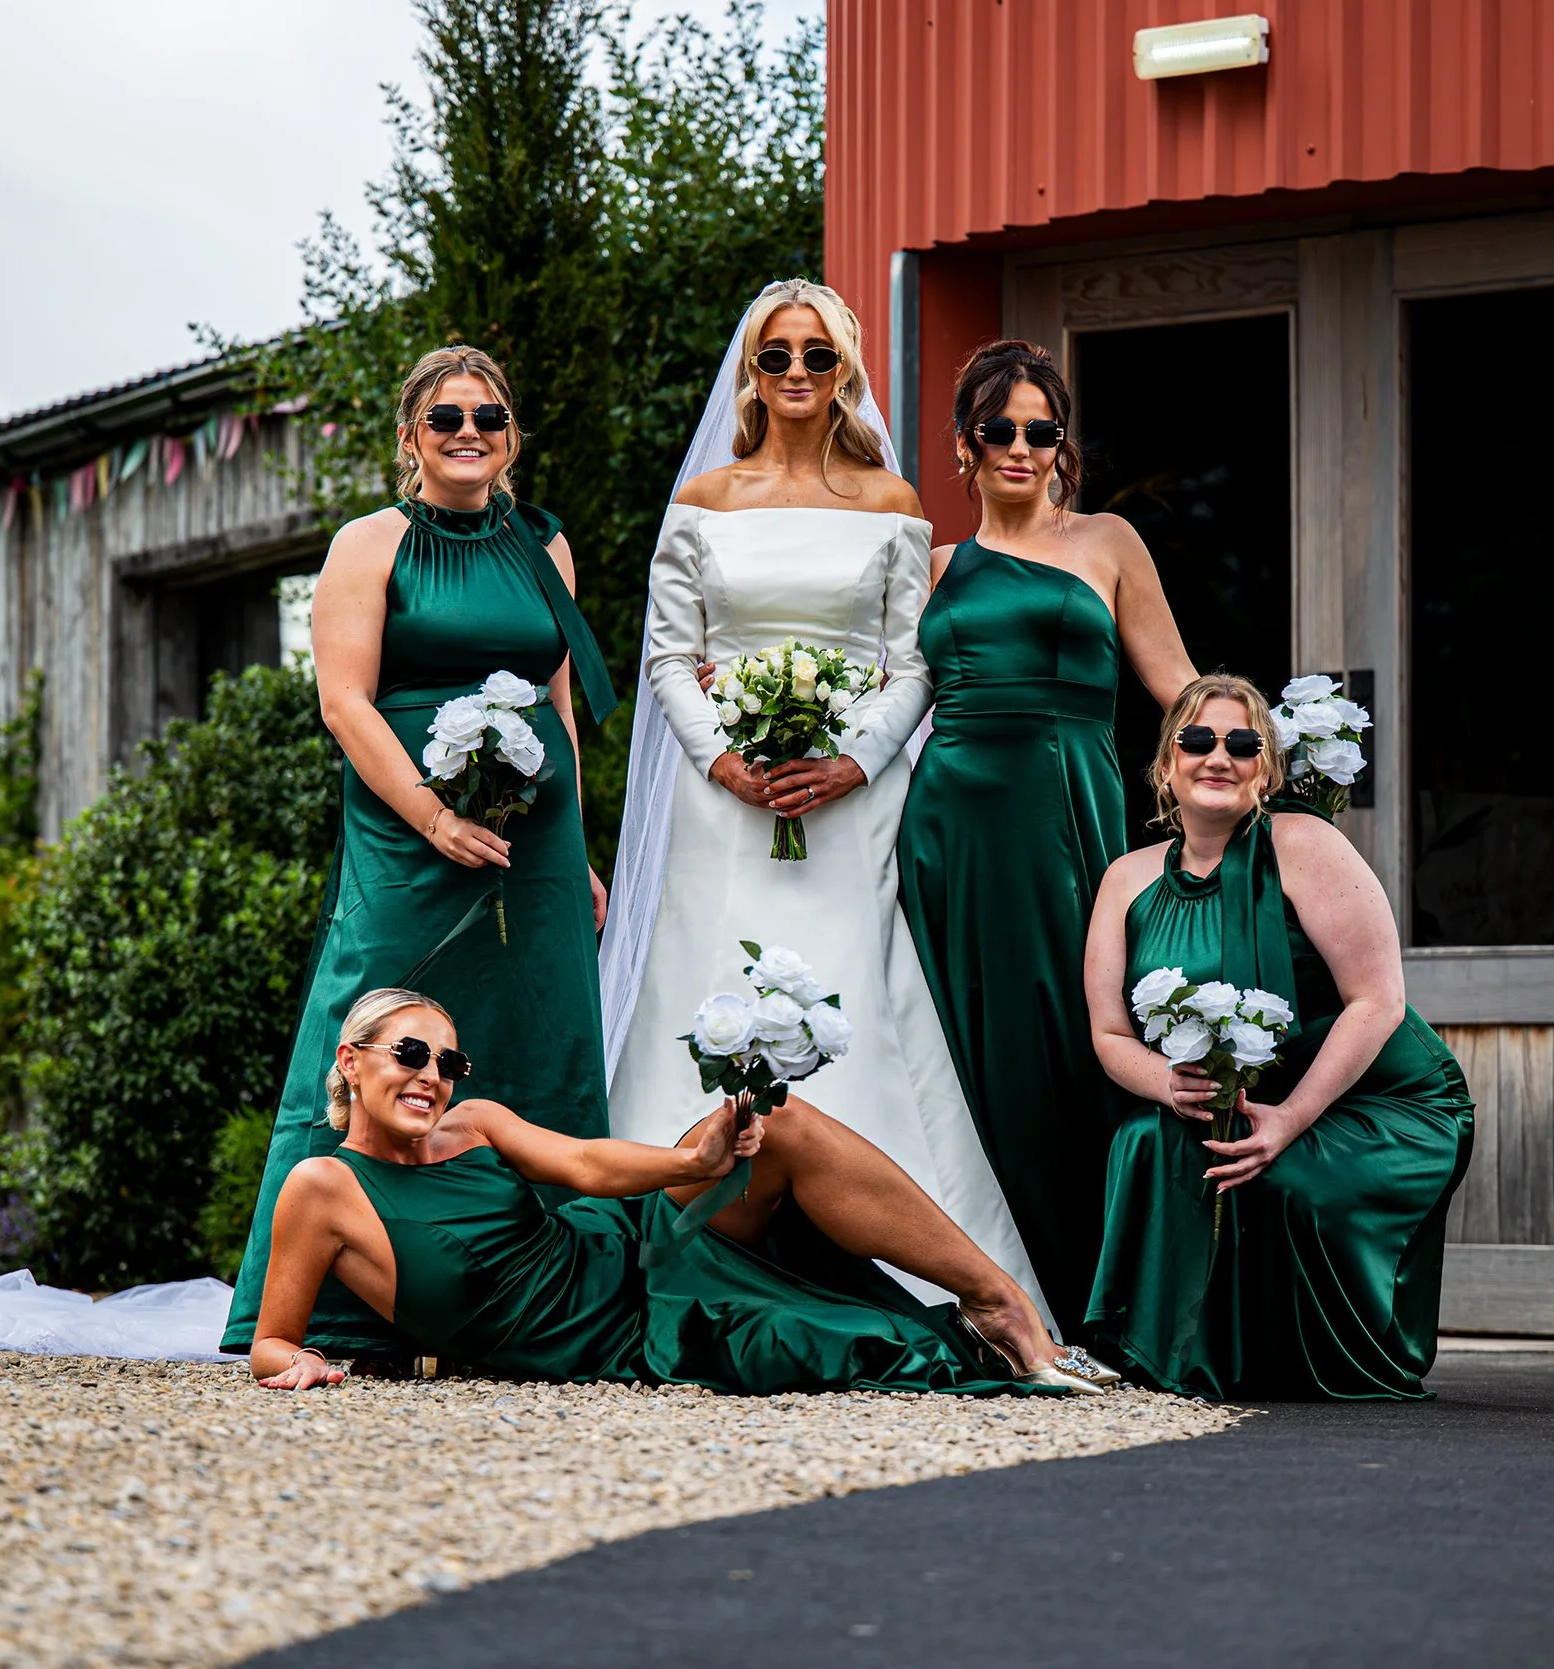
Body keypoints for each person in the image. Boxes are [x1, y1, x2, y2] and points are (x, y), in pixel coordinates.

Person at [595, 280, 1052, 1328]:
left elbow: (912, 664)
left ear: (845, 370)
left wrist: (849, 761)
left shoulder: (891, 506)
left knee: (858, 998)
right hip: (727, 807)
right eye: (775, 356)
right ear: (750, 373)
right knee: (698, 985)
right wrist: (721, 761)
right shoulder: (703, 503)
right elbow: (670, 658)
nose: (796, 374)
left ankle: (911, 1266)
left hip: (851, 801)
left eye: (815, 356)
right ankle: (674, 1261)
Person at [221, 347, 617, 1361]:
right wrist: (433, 818)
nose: (469, 433)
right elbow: (342, 701)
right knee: (374, 1011)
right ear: (410, 438)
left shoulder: (545, 546)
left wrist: (571, 850)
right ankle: (328, 1307)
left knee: (539, 1031)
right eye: (445, 420)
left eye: (489, 416)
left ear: (510, 433)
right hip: (404, 830)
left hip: (533, 838)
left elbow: (558, 699)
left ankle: (547, 1296)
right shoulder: (368, 544)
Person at [248, 988, 1101, 1395]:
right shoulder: (321, 1187)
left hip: (625, 1244)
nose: (433, 1075)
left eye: (448, 1060)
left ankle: (999, 1299)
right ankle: (968, 1325)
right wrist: (307, 1366)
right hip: (620, 1335)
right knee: (849, 1348)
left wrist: (695, 1164)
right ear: (351, 1061)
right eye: (410, 1053)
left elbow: (585, 1167)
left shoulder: (473, 1122)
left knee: (778, 1116)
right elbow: (272, 1342)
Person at [896, 340, 1196, 1329]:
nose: (1021, 446)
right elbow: (873, 700)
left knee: (1074, 1032)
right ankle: (991, 1289)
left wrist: (1272, 761)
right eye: (1000, 429)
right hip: (950, 826)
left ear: (1060, 444)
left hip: (1066, 818)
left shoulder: (1106, 541)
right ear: (963, 445)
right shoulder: (930, 566)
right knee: (971, 1042)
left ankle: (1092, 1296)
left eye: (1041, 430)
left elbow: (1179, 689)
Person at [1082, 675, 1475, 1399]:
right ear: (1167, 762)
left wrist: (1291, 1119)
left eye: (1242, 743)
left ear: (1266, 767)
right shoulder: (1125, 880)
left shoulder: (1304, 844)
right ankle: (1166, 1355)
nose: (1218, 756)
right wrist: (1167, 1081)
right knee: (1147, 1141)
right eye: (1198, 740)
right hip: (1236, 1100)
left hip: (1374, 1101)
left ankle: (1294, 1362)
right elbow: (1109, 1032)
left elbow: (1378, 1000)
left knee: (1281, 1178)